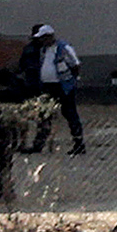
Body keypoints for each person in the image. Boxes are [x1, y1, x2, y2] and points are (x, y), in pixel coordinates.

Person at [27, 24, 85, 154]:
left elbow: (75, 64)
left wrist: (70, 80)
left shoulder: (63, 48)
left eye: (43, 38)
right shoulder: (43, 50)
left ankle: (79, 144)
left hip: (62, 86)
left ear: (49, 37)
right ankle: (38, 144)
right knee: (43, 115)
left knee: (70, 114)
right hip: (48, 87)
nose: (41, 41)